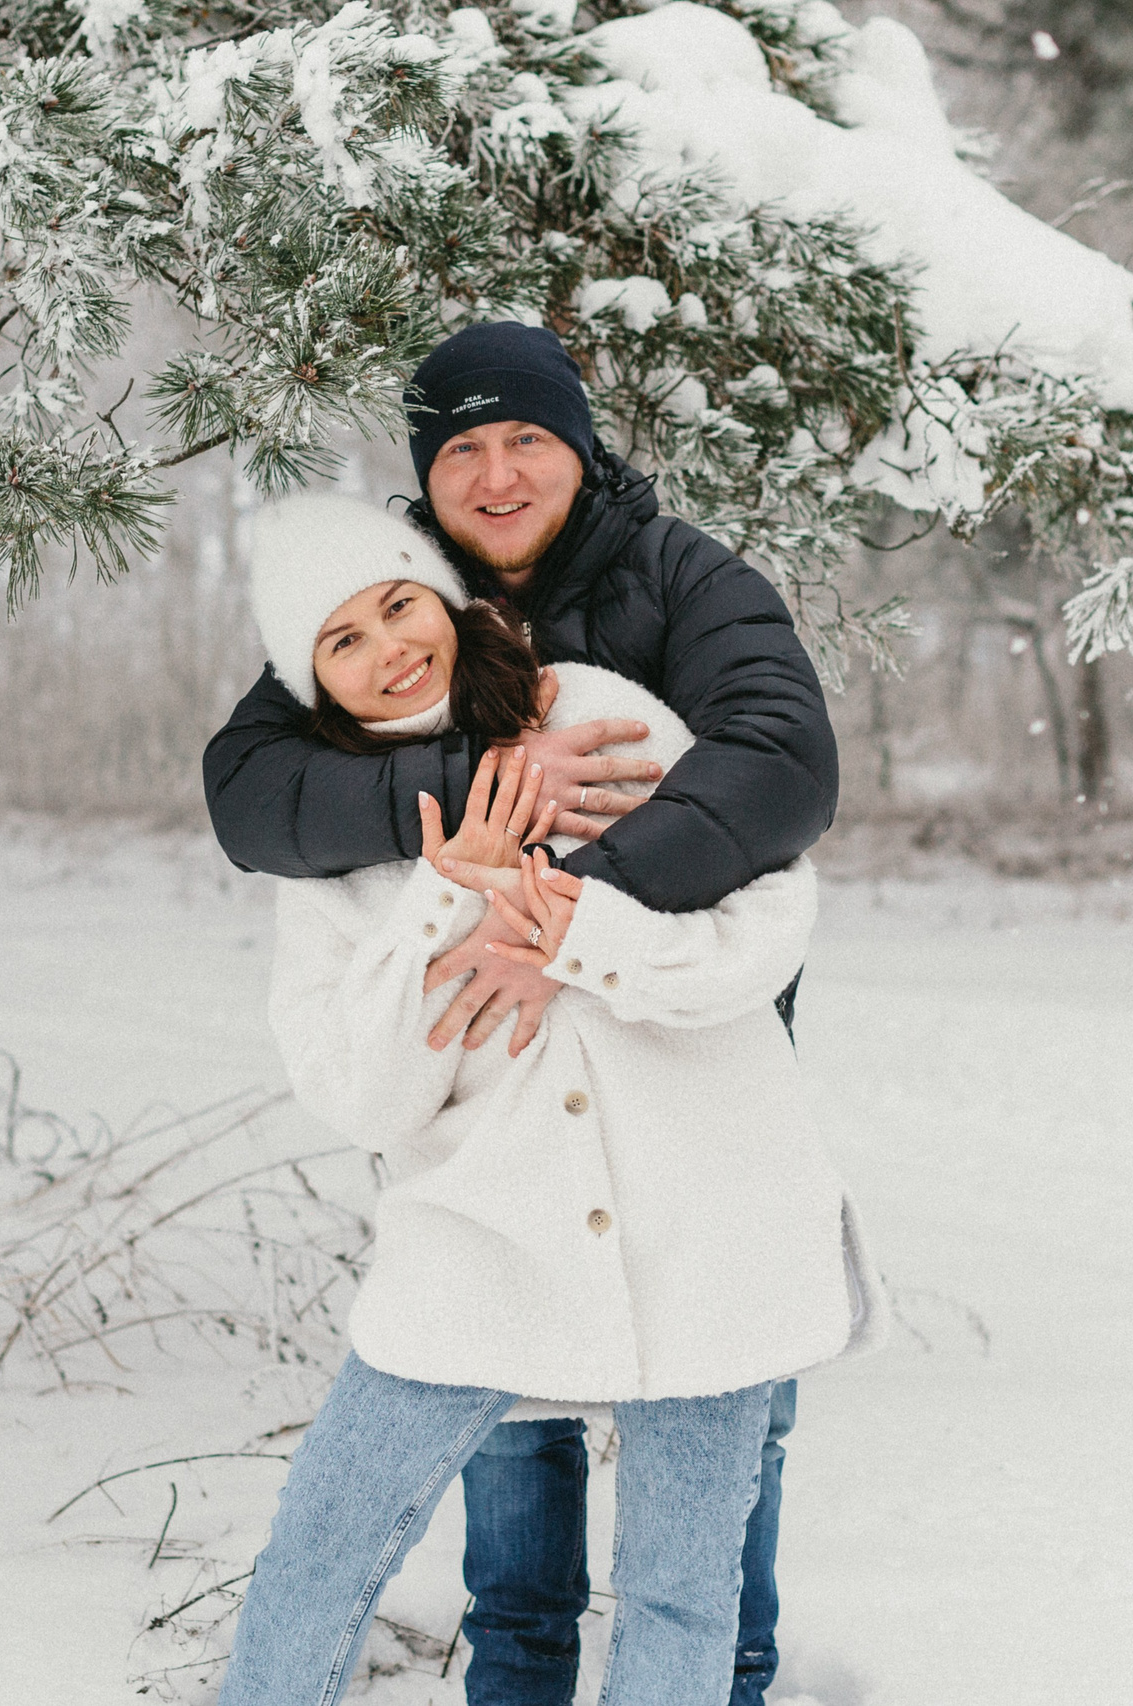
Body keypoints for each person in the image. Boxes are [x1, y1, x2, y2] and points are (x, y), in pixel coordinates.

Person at [203, 321, 839, 1706]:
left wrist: (574, 921)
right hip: (489, 1203)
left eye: (526, 439)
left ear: (580, 443)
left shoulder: (667, 606)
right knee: (461, 1538)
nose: (496, 474)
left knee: (697, 1574)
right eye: (461, 450)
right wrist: (457, 833)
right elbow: (250, 794)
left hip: (698, 1152)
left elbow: (783, 785)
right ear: (424, 484)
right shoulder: (370, 623)